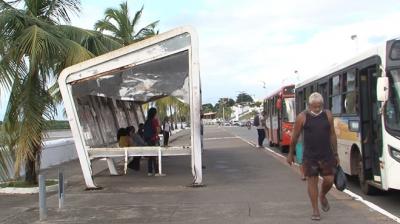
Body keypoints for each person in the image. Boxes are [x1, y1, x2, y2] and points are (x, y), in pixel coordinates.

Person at [287, 92, 339, 221]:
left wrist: (336, 153)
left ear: (322, 104)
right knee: (312, 181)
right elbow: (294, 137)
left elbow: (332, 134)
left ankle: (322, 195)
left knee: (329, 180)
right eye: (314, 106)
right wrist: (290, 153)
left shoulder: (328, 115)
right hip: (310, 156)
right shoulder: (302, 117)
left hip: (326, 154)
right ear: (309, 105)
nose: (317, 109)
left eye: (319, 106)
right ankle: (315, 210)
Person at [144, 108, 160, 176]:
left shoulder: (147, 121)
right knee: (154, 155)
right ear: (154, 113)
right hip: (153, 139)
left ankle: (149, 171)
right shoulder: (154, 120)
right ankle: (156, 172)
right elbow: (158, 130)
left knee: (150, 155)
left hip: (147, 140)